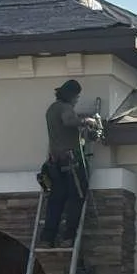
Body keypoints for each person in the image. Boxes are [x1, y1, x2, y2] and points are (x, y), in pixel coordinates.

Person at [39, 79, 98, 248]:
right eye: (77, 97)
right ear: (71, 95)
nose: (77, 100)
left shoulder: (51, 109)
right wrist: (87, 121)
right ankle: (68, 237)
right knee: (76, 198)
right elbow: (68, 121)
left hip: (55, 163)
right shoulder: (65, 109)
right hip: (72, 162)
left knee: (56, 200)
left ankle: (47, 238)